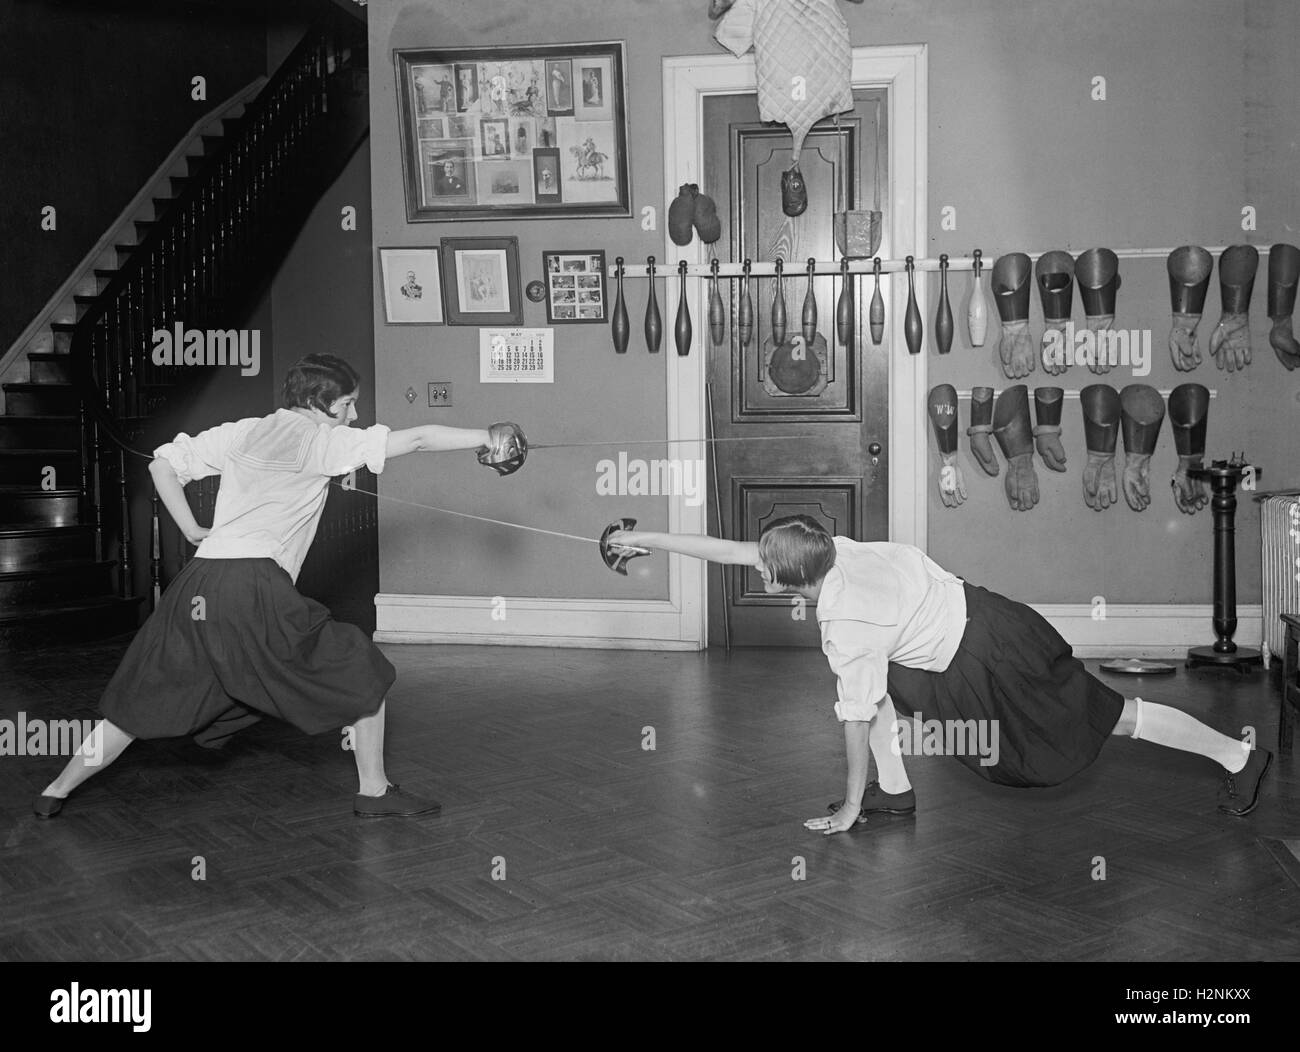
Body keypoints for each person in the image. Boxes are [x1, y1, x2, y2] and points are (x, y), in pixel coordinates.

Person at [34, 354, 528, 820]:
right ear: (321, 405)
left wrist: (188, 528)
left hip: (199, 583)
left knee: (139, 697)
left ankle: (55, 791)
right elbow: (417, 439)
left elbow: (162, 465)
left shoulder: (245, 432)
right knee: (363, 669)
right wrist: (488, 434)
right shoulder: (323, 441)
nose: (355, 415)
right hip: (253, 586)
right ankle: (374, 792)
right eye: (349, 404)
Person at [606, 516, 1272, 833]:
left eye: (764, 570)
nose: (756, 568)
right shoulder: (830, 551)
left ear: (789, 580)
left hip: (988, 656)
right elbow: (728, 550)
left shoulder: (847, 623)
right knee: (895, 687)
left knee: (1111, 717)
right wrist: (651, 540)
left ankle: (1238, 755)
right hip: (980, 622)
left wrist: (847, 804)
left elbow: (854, 719)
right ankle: (895, 794)